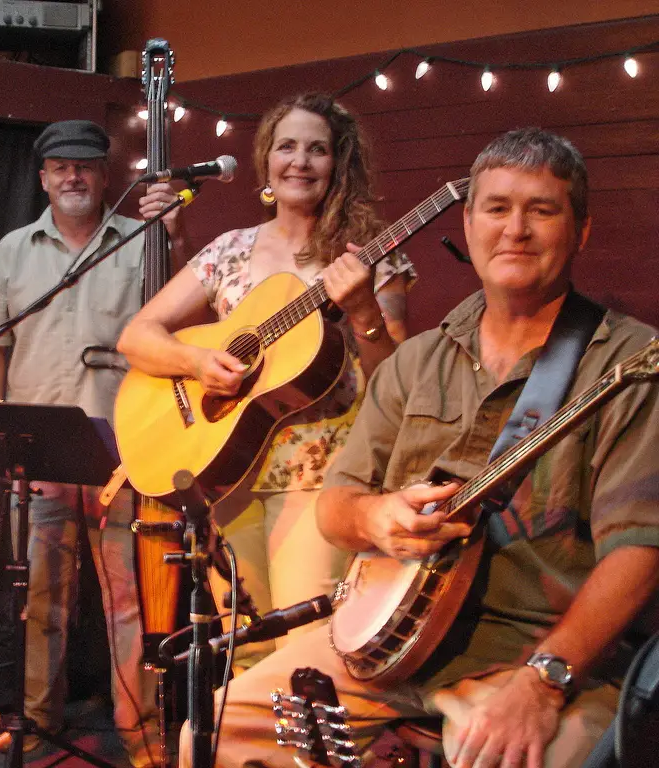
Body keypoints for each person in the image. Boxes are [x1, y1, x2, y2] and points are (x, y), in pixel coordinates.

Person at [195, 127, 659, 768]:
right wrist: (376, 518)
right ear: (468, 225)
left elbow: (639, 553)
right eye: (496, 208)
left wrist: (545, 678)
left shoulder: (627, 363)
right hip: (378, 653)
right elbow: (337, 505)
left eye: (541, 210)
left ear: (580, 231)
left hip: (532, 654)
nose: (515, 230)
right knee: (209, 738)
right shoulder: (415, 360)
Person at [117, 92, 415, 668]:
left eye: (317, 150)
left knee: (304, 653)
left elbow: (397, 382)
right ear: (267, 161)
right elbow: (137, 336)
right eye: (287, 147)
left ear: (339, 163)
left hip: (320, 478)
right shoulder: (230, 249)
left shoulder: (364, 257)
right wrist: (197, 363)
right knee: (244, 653)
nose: (300, 161)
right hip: (228, 474)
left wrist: (363, 314)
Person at [0, 119, 186, 766]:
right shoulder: (11, 253)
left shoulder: (142, 244)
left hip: (125, 457)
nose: (73, 177)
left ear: (104, 175)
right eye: (59, 167)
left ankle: (140, 736)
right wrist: (1, 430)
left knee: (128, 603)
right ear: (43, 178)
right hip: (42, 457)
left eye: (84, 166)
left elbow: (187, 320)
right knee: (41, 600)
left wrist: (176, 233)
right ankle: (37, 726)